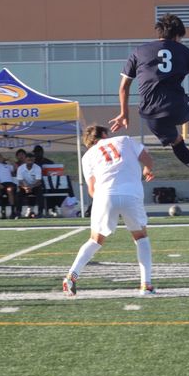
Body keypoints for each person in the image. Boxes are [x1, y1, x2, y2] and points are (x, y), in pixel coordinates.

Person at [109, 13, 189, 188]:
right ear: (178, 35)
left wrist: (124, 113)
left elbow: (124, 86)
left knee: (176, 142)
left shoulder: (139, 51)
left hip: (149, 113)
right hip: (175, 104)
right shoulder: (182, 50)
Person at [63, 126, 156, 297]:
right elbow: (147, 159)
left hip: (104, 195)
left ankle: (71, 277)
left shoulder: (88, 156)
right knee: (141, 237)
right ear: (104, 134)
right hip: (131, 193)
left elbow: (91, 189)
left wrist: (101, 201)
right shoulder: (125, 139)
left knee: (95, 240)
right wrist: (147, 169)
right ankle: (146, 285)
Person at [16, 152, 45, 218]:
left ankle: (40, 212)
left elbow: (38, 181)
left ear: (34, 160)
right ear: (25, 160)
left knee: (40, 194)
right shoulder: (20, 168)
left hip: (35, 186)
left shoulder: (37, 168)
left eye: (32, 160)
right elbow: (20, 181)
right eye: (28, 160)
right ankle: (18, 212)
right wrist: (26, 187)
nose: (30, 162)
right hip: (24, 186)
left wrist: (31, 187)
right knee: (18, 194)